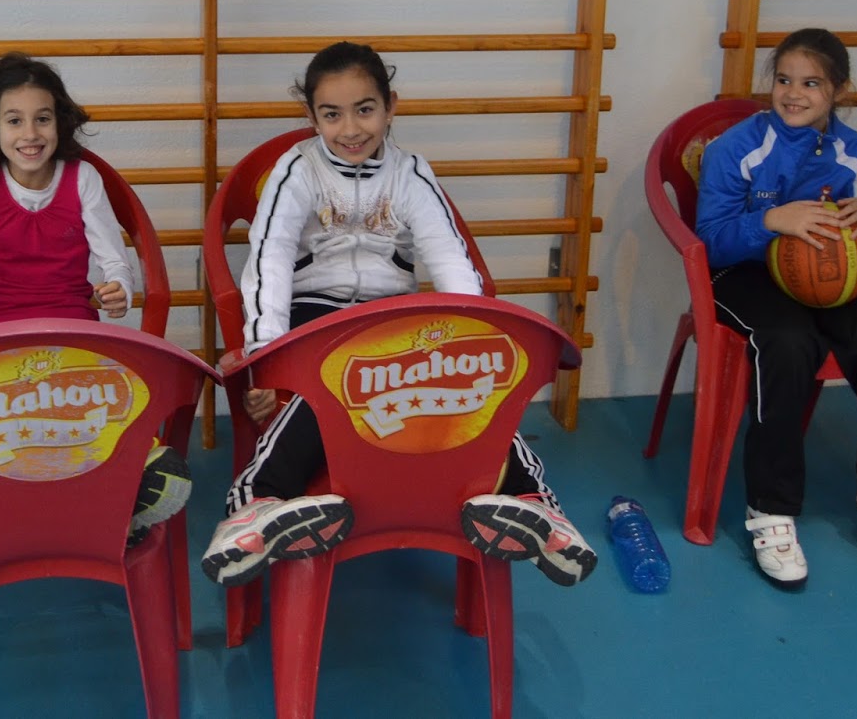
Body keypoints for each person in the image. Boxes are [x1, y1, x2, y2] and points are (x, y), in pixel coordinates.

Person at [198, 41, 596, 589]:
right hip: (312, 314)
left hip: (392, 319)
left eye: (364, 109)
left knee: (475, 394)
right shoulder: (296, 170)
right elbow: (269, 262)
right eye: (331, 114)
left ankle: (535, 503)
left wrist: (476, 340)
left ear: (391, 107)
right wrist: (265, 359)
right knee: (325, 391)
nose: (350, 128)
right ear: (311, 116)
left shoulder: (411, 173)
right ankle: (254, 505)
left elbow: (451, 260)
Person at [0, 53, 189, 567]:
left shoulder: (83, 177)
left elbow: (117, 263)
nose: (30, 133)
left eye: (42, 118)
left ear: (59, 122)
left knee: (88, 426)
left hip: (76, 341)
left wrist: (118, 289)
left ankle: (118, 497)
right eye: (14, 120)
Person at [695, 27, 857, 587]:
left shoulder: (855, 151)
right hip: (743, 273)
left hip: (828, 279)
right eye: (784, 80)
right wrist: (772, 221)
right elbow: (710, 241)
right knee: (787, 342)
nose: (793, 94)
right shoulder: (735, 148)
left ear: (838, 90)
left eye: (811, 83)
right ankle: (771, 510)